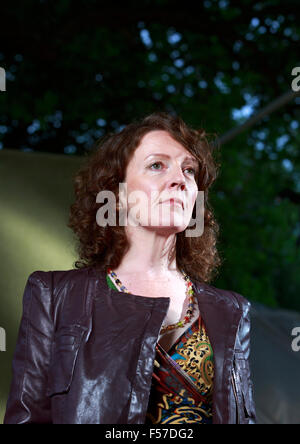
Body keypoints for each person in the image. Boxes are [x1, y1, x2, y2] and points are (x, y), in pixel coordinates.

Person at [4, 112, 256, 424]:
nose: (180, 178)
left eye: (189, 170)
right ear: (118, 194)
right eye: (156, 165)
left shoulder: (232, 310)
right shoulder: (54, 296)